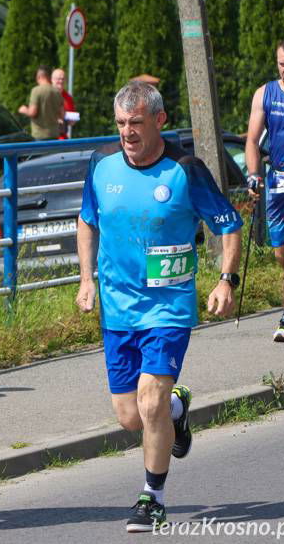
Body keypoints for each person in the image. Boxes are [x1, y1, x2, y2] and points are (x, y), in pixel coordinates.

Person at [76, 81, 242, 532]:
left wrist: (226, 280)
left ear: (160, 121)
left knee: (148, 403)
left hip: (167, 307)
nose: (128, 132)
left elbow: (227, 224)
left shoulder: (185, 169)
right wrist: (86, 278)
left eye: (137, 123)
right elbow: (87, 221)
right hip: (117, 309)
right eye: (121, 123)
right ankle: (176, 410)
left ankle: (153, 497)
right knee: (132, 415)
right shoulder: (101, 164)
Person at [245, 38, 284, 342]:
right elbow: (252, 141)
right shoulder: (264, 94)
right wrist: (253, 175)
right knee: (280, 252)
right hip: (278, 181)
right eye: (282, 64)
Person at [18, 65, 64, 140]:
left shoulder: (36, 91)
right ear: (49, 77)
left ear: (39, 77)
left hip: (40, 134)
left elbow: (32, 112)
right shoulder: (57, 92)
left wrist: (24, 110)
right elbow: (62, 115)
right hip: (54, 134)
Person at [52, 67, 77, 139]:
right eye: (58, 79)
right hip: (48, 139)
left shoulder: (68, 98)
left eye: (63, 79)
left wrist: (72, 121)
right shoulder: (47, 95)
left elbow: (71, 117)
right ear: (52, 80)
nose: (61, 81)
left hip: (63, 138)